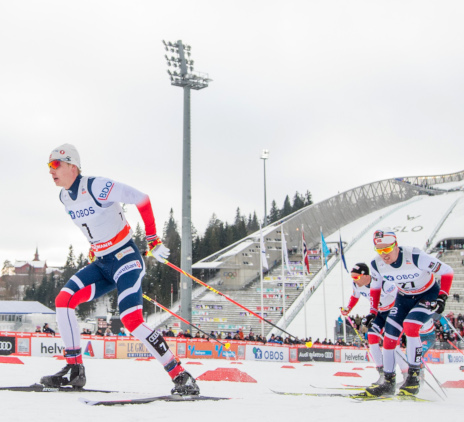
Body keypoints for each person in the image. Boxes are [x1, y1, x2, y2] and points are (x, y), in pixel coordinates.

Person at [41, 144, 199, 395]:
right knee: (64, 300)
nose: (51, 171)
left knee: (131, 319)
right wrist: (96, 246)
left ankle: (180, 375)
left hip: (126, 258)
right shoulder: (64, 197)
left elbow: (142, 199)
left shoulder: (96, 186)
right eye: (48, 165)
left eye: (55, 164)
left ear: (73, 165)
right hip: (102, 263)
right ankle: (74, 369)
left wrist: (153, 240)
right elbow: (94, 225)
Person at [364, 228, 453, 397]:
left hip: (427, 294)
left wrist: (442, 297)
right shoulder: (376, 264)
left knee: (411, 326)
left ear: (395, 245)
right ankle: (388, 382)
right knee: (389, 337)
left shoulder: (415, 256)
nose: (384, 254)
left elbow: (447, 271)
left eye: (387, 249)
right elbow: (375, 288)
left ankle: (413, 379)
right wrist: (372, 312)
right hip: (404, 298)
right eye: (379, 250)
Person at [340, 263, 408, 386]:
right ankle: (383, 374)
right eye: (352, 278)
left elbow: (400, 296)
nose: (354, 280)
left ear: (366, 275)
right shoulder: (356, 284)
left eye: (356, 277)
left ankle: (407, 373)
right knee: (371, 338)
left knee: (391, 343)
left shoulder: (384, 284)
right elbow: (355, 296)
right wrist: (348, 308)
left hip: (392, 312)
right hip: (378, 313)